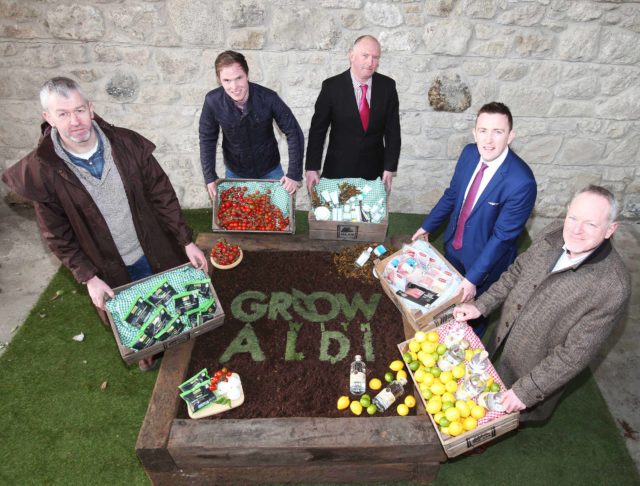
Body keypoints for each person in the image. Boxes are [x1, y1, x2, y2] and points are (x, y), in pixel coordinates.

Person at [2, 77, 208, 371]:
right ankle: (150, 352)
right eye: (63, 114)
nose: (75, 121)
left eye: (80, 110)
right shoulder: (42, 170)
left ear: (91, 108)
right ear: (48, 118)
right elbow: (57, 235)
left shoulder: (125, 143)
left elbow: (163, 194)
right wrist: (88, 277)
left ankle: (176, 345)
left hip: (153, 247)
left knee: (172, 305)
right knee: (139, 323)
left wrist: (186, 240)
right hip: (107, 265)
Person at [454, 185, 631, 423]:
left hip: (532, 369)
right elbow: (517, 271)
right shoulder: (553, 232)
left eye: (591, 224)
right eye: (573, 217)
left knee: (496, 420)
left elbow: (574, 355)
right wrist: (482, 305)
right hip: (502, 340)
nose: (577, 229)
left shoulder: (613, 287)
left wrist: (527, 390)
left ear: (610, 229)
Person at [412, 102, 536, 337]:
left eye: (497, 132)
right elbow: (452, 195)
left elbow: (502, 238)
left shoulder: (522, 182)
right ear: (474, 132)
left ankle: (467, 348)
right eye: (483, 131)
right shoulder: (469, 153)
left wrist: (473, 280)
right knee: (447, 300)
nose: (488, 140)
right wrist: (427, 226)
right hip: (453, 248)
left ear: (510, 136)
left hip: (484, 265)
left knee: (471, 316)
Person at [199, 50, 304, 199]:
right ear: (219, 80)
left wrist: (294, 174)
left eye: (239, 78)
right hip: (235, 172)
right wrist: (210, 177)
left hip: (271, 169)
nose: (234, 86)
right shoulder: (212, 101)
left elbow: (293, 131)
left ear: (247, 75)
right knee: (240, 218)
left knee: (279, 216)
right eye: (227, 80)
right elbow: (207, 139)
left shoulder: (268, 97)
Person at [305, 35, 401, 193]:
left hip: (374, 171)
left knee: (371, 216)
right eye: (365, 55)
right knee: (334, 216)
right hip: (337, 169)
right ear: (351, 55)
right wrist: (312, 168)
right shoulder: (331, 87)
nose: (370, 62)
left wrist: (389, 168)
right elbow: (318, 131)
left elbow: (393, 131)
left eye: (375, 57)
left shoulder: (387, 87)